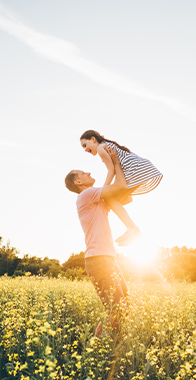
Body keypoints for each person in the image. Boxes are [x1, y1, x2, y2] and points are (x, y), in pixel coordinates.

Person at [65, 145, 130, 337]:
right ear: (78, 181)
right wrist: (115, 163)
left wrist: (114, 165)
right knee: (117, 308)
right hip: (99, 260)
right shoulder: (86, 195)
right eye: (83, 173)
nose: (88, 172)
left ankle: (105, 344)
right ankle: (98, 347)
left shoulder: (95, 198)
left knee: (123, 306)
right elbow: (117, 187)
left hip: (107, 259)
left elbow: (112, 187)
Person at [79, 129, 162, 246]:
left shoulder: (101, 148)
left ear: (93, 139)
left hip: (134, 171)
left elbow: (111, 170)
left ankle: (132, 229)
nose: (85, 150)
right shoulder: (106, 145)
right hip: (140, 168)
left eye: (85, 145)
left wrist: (103, 190)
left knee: (108, 199)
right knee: (113, 200)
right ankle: (132, 228)